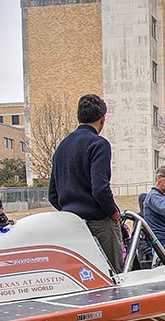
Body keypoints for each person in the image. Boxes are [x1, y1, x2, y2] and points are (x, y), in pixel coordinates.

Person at [49, 94, 124, 272]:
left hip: (71, 224)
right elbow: (100, 188)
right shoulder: (98, 144)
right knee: (112, 274)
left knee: (82, 275)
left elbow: (52, 195)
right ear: (102, 118)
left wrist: (71, 211)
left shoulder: (62, 147)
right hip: (98, 221)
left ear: (78, 117)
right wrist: (113, 213)